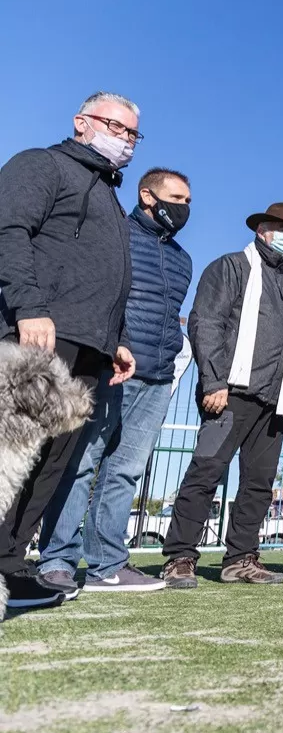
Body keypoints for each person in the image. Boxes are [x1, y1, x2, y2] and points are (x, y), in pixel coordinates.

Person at [0, 92, 141, 610]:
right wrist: (29, 306)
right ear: (82, 122)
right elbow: (8, 230)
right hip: (38, 335)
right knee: (11, 454)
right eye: (116, 126)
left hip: (90, 346)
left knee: (51, 461)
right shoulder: (42, 164)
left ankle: (10, 564)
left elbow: (107, 277)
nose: (125, 140)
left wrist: (116, 338)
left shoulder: (109, 195)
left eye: (133, 133)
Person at [37, 168, 193, 597]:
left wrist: (169, 362)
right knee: (80, 462)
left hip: (158, 376)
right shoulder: (115, 236)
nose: (184, 208)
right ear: (147, 196)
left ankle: (108, 564)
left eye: (188, 201)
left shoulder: (182, 259)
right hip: (110, 367)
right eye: (176, 198)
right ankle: (57, 561)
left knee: (124, 471)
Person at [160, 202, 283, 589]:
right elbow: (206, 322)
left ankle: (241, 559)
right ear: (262, 230)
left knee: (260, 483)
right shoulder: (231, 267)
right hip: (231, 394)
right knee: (206, 472)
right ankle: (180, 557)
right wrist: (214, 380)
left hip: (277, 400)